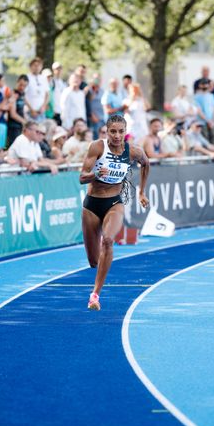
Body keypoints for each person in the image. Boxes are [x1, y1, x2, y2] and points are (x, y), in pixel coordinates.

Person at [80, 114, 149, 310]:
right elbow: (81, 178)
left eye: (121, 131)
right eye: (113, 131)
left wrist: (142, 192)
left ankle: (95, 295)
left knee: (109, 240)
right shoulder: (97, 147)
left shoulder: (133, 152)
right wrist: (94, 175)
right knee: (93, 261)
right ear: (106, 131)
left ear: (125, 132)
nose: (117, 136)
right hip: (91, 205)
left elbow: (146, 163)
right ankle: (96, 274)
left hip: (114, 203)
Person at [26, 57, 49, 121]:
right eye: (35, 65)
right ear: (31, 67)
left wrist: (43, 106)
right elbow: (23, 95)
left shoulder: (43, 78)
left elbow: (47, 94)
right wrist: (31, 109)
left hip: (41, 111)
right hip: (30, 111)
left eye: (39, 66)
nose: (37, 67)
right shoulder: (27, 77)